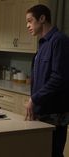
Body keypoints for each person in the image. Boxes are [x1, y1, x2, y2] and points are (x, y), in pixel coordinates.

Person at [25, 4, 69, 157]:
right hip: (42, 111)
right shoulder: (43, 43)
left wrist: (34, 98)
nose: (27, 25)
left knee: (53, 153)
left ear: (42, 18)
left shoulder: (59, 41)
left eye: (30, 21)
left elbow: (59, 78)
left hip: (54, 114)